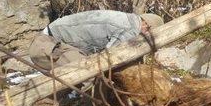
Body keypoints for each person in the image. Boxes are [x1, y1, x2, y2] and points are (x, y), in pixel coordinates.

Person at [29, 10, 164, 70]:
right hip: (50, 44)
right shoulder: (131, 29)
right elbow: (110, 55)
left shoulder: (127, 19)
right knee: (91, 76)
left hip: (52, 39)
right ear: (147, 25)